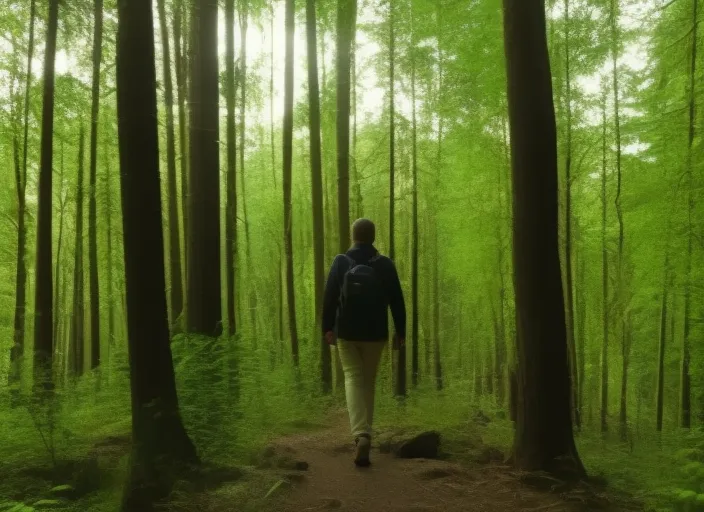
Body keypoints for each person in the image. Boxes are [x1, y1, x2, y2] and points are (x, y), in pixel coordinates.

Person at [322, 218, 406, 467]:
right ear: (373, 237)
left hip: (346, 331)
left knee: (352, 377)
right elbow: (397, 300)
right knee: (367, 381)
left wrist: (327, 328)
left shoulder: (341, 262)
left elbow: (329, 296)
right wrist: (400, 331)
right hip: (376, 332)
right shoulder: (385, 264)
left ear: (353, 236)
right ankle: (365, 433)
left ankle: (361, 435)